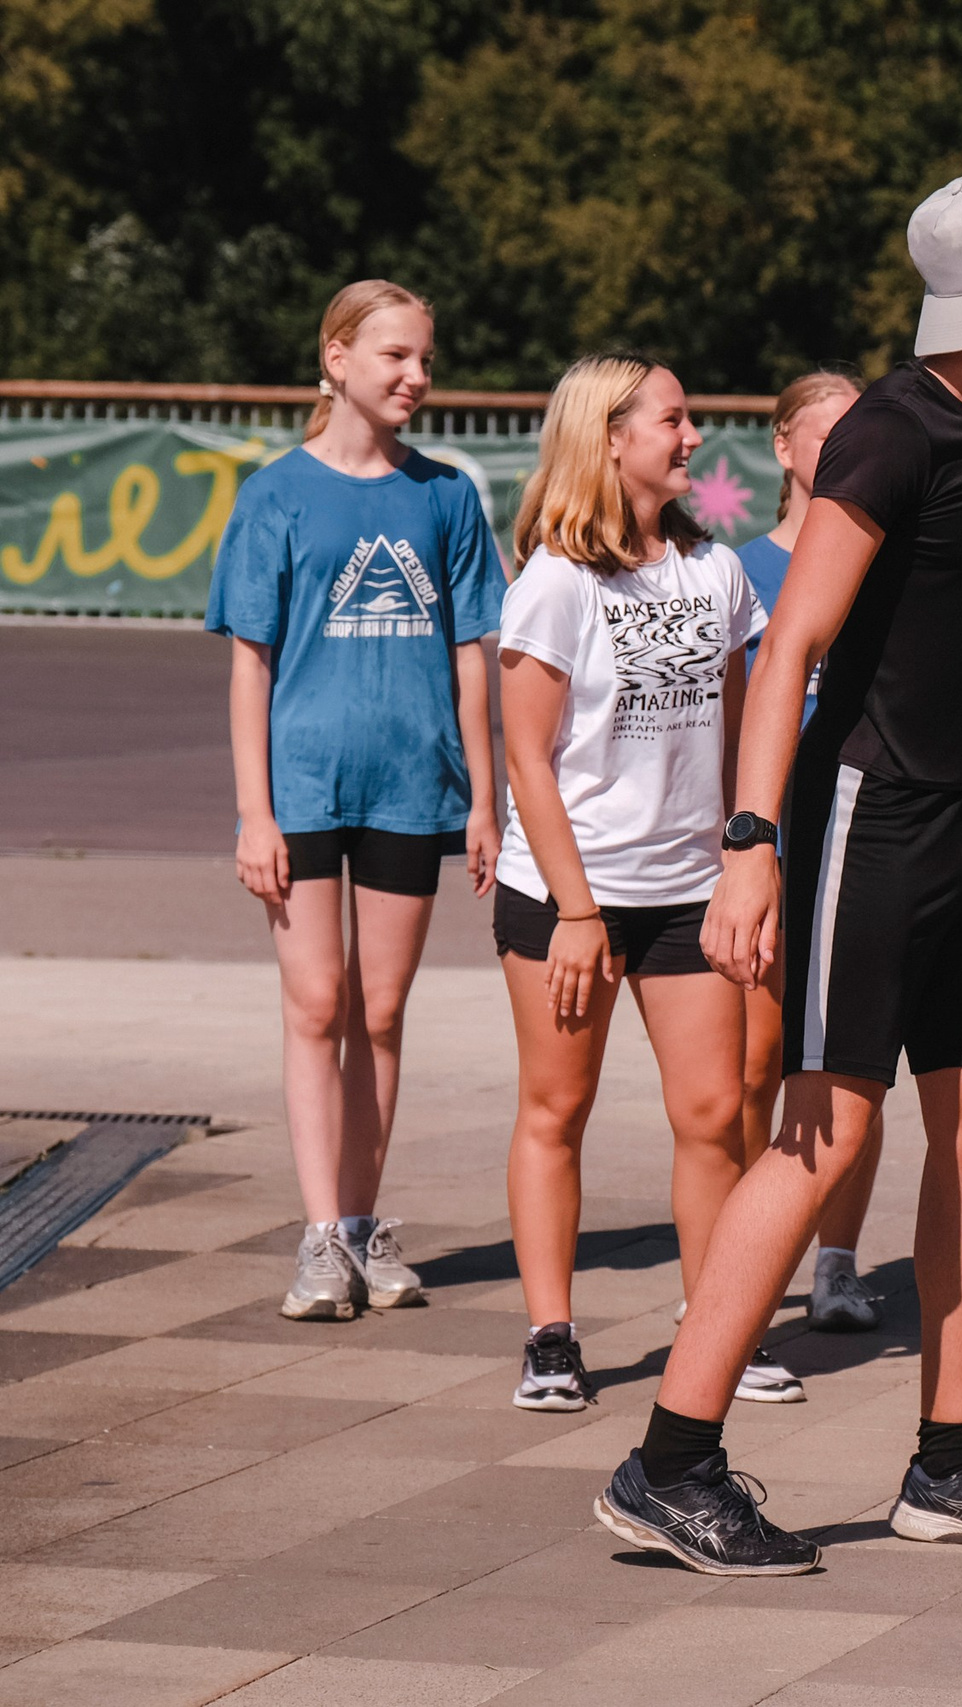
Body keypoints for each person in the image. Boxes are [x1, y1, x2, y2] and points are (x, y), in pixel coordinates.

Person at [594, 167, 962, 1573]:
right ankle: (671, 1461)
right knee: (826, 1129)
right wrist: (750, 846)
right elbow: (792, 645)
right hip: (868, 812)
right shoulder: (893, 431)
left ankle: (953, 1456)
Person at [493, 353, 800, 1413]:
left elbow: (733, 732)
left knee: (715, 1113)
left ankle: (714, 1324)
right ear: (609, 437)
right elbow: (526, 758)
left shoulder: (713, 571)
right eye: (671, 421)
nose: (689, 438)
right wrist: (577, 912)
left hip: (684, 887)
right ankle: (550, 1335)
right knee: (556, 1107)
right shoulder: (555, 581)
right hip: (567, 896)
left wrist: (738, 859)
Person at [208, 280, 502, 1323]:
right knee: (316, 1006)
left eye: (424, 357)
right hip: (301, 791)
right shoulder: (275, 495)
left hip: (412, 791)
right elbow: (251, 663)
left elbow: (475, 655)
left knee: (378, 1014)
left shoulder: (447, 496)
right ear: (337, 359)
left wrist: (483, 795)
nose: (417, 376)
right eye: (395, 356)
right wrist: (254, 813)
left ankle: (366, 1227)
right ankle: (320, 1235)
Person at [735, 370, 888, 1336]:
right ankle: (754, 1244)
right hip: (767, 844)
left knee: (849, 1065)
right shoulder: (735, 570)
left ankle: (837, 1258)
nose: (839, 450)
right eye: (821, 434)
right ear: (783, 447)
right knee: (755, 1064)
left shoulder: (880, 561)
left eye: (856, 433)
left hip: (861, 834)